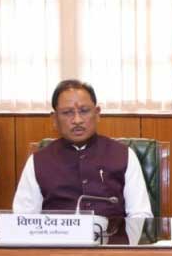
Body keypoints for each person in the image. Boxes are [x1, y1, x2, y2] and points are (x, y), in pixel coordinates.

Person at [12, 79, 152, 217]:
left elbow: (140, 214)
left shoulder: (124, 155)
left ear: (97, 113)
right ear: (54, 119)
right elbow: (23, 217)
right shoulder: (38, 161)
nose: (77, 120)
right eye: (67, 112)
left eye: (84, 111)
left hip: (112, 232)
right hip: (57, 233)